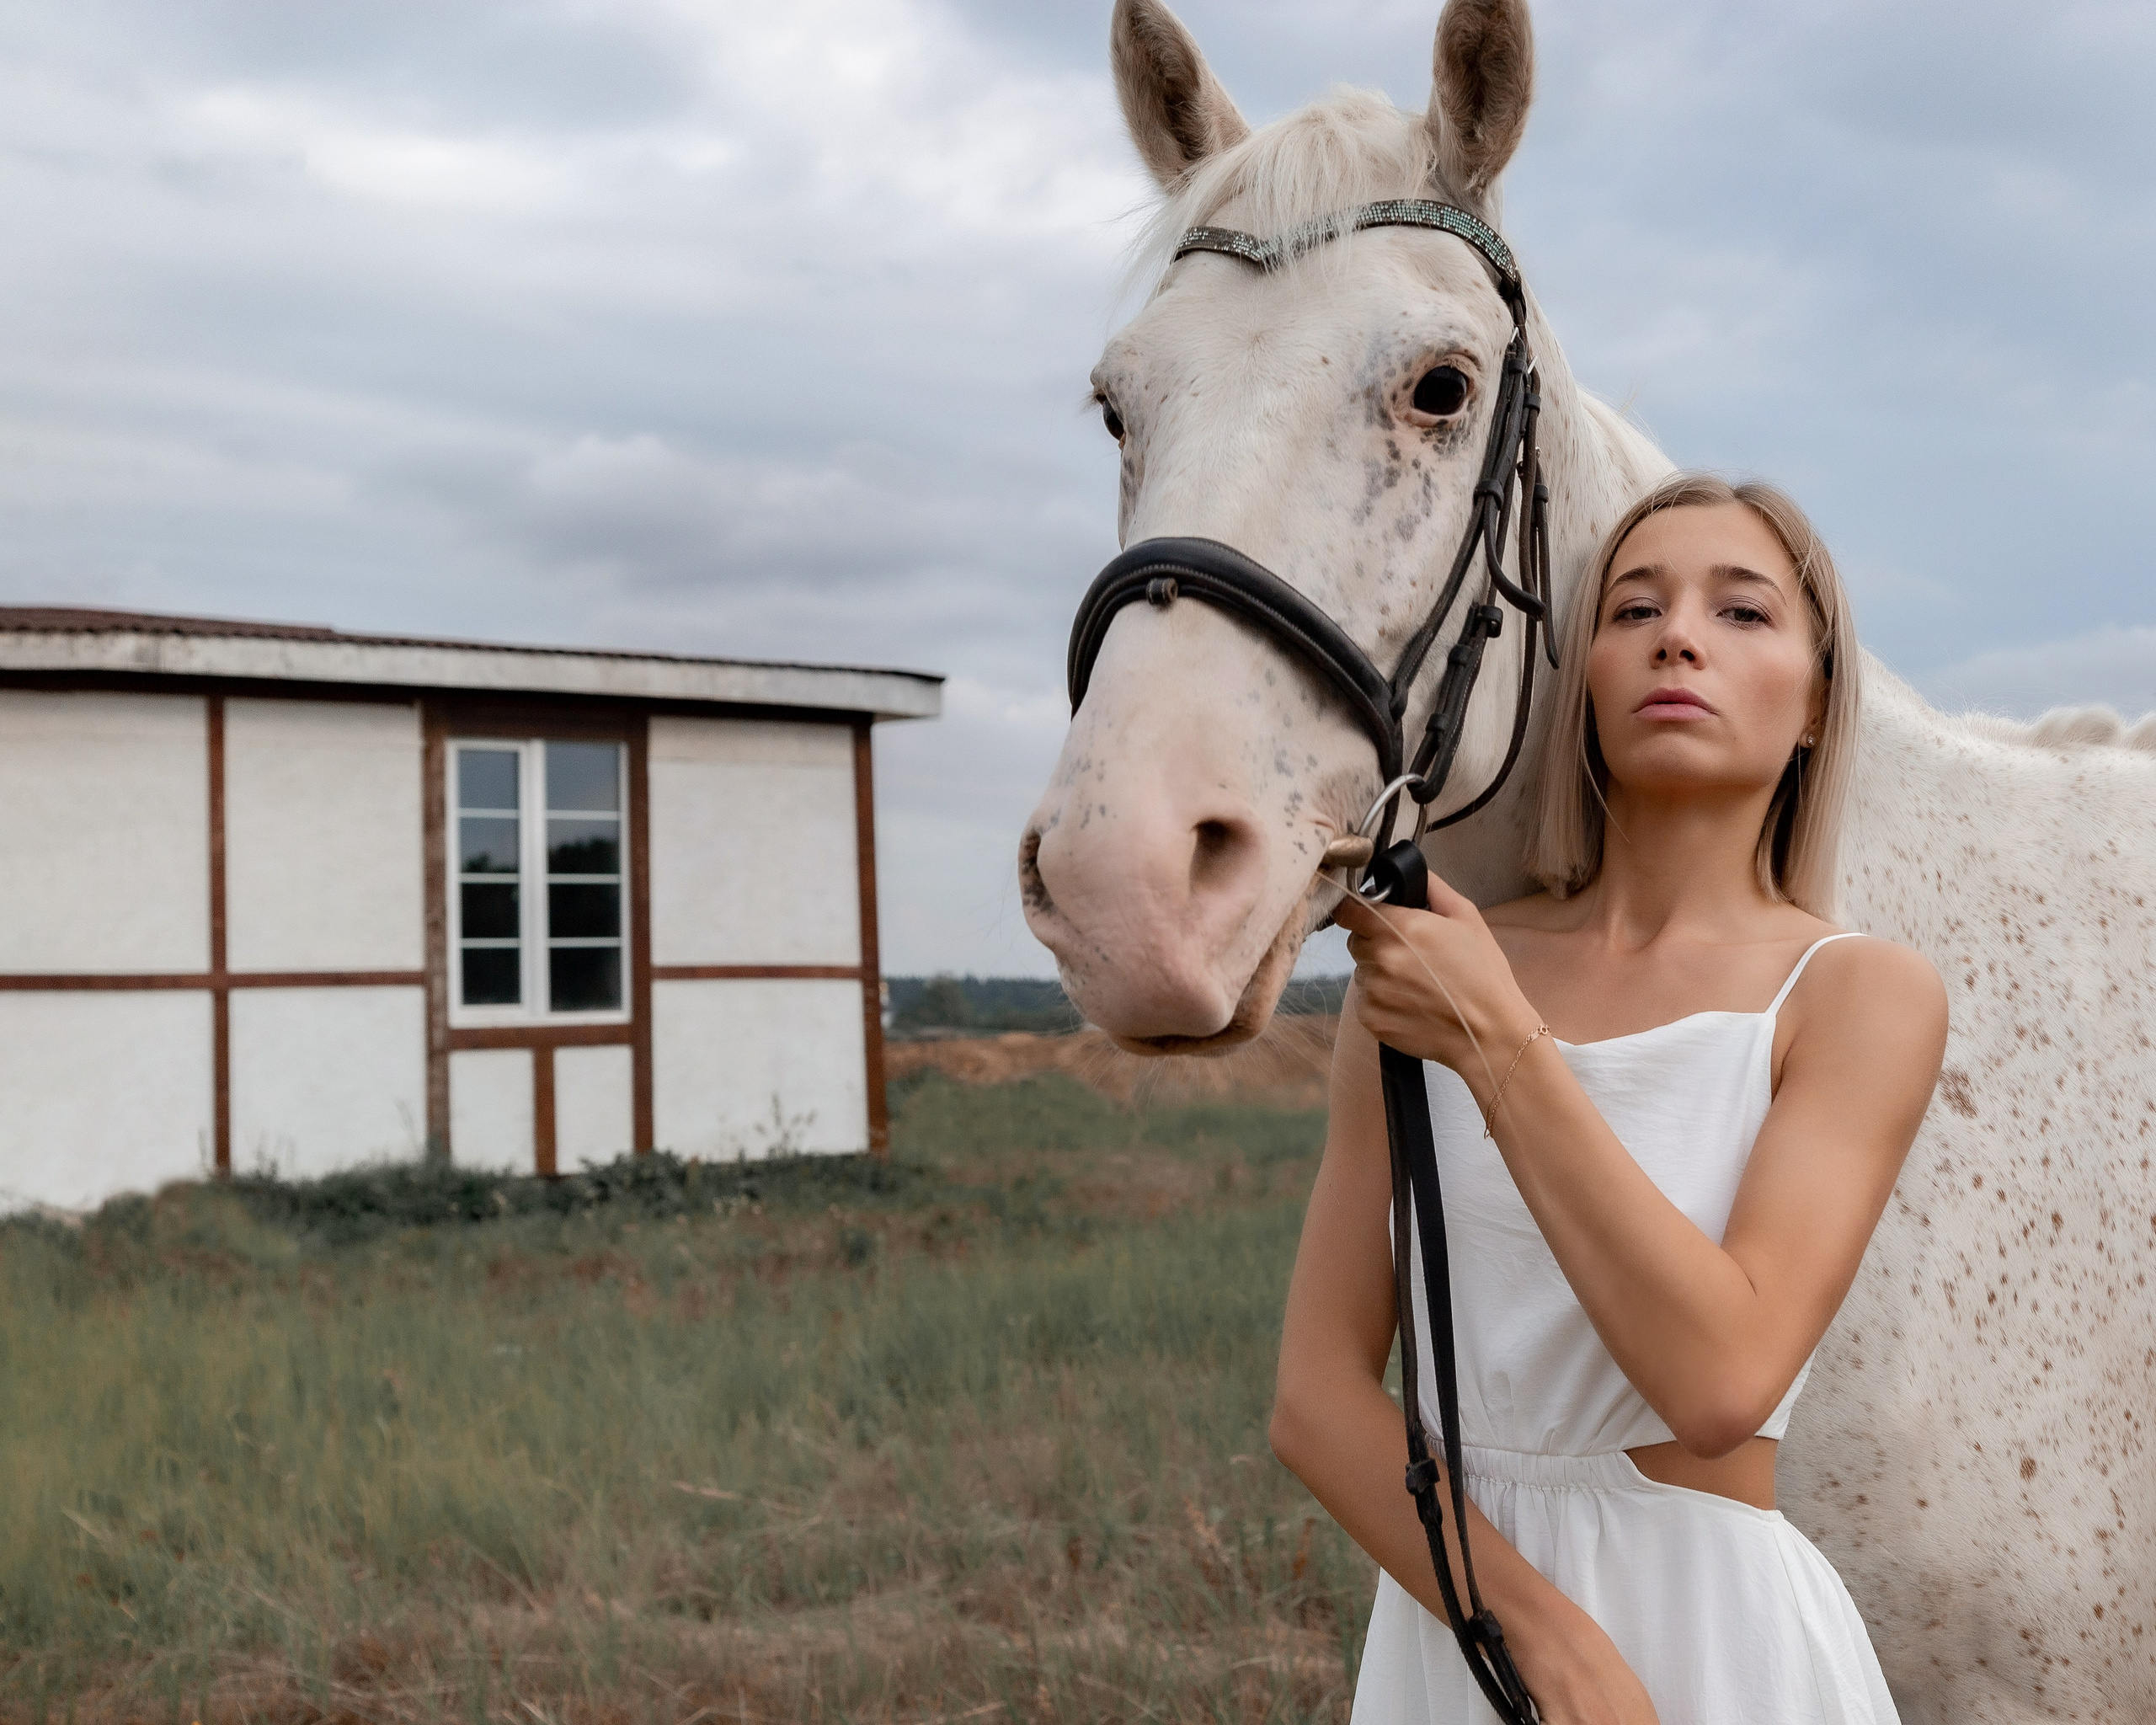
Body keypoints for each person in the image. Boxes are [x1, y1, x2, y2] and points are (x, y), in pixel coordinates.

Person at [1273, 473, 1946, 1724]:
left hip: (1720, 1645)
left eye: (1743, 613)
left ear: (1815, 705)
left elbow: (1720, 1381)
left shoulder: (1855, 995)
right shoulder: (1428, 969)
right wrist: (1527, 1629)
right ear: (1582, 678)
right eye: (1633, 608)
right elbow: (1313, 1399)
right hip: (1460, 1633)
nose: (1677, 635)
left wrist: (1502, 1044)